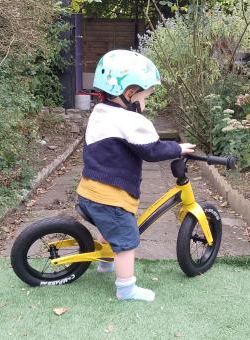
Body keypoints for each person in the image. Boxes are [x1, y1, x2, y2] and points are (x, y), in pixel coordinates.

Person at [76, 50, 195, 302]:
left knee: (110, 228)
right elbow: (151, 149)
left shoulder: (100, 111)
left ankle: (105, 264)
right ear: (130, 94)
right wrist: (178, 148)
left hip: (89, 192)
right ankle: (126, 290)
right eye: (146, 97)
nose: (147, 103)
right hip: (110, 197)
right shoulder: (129, 119)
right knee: (127, 240)